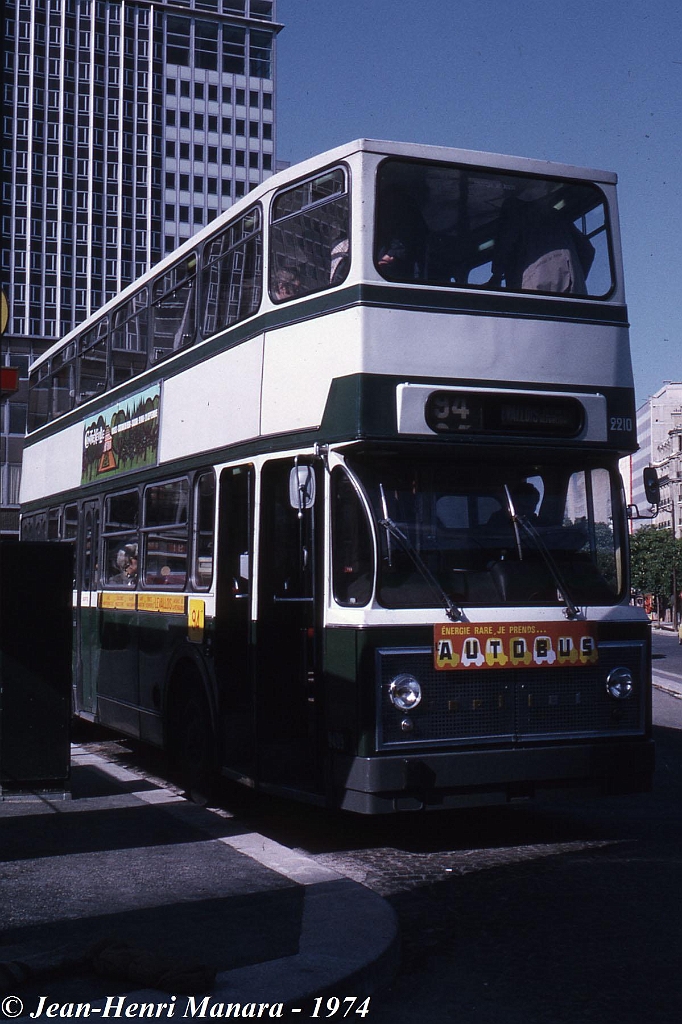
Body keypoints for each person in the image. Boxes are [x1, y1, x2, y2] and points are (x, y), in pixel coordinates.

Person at [488, 195, 595, 295]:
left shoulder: (513, 212)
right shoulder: (556, 215)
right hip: (574, 284)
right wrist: (577, 276)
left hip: (537, 282)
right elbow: (588, 250)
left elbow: (504, 245)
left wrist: (496, 276)